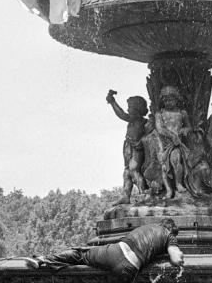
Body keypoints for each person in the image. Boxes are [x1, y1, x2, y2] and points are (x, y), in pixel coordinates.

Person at [34, 218, 184, 282]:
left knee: (81, 254)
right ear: (170, 229)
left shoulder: (148, 226)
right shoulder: (168, 235)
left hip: (114, 251)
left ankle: (44, 259)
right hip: (129, 267)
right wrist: (175, 250)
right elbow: (176, 260)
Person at [106, 90, 149, 204]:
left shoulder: (138, 120)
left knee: (134, 170)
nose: (128, 109)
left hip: (136, 148)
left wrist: (113, 102)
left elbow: (121, 114)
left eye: (130, 107)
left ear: (137, 109)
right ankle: (126, 196)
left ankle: (143, 194)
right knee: (126, 172)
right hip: (128, 147)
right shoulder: (136, 120)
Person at [154, 85, 193, 197]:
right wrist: (171, 135)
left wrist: (185, 130)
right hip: (163, 143)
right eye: (165, 100)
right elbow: (160, 128)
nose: (168, 102)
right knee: (163, 167)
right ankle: (168, 189)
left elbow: (188, 126)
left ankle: (178, 183)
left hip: (177, 144)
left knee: (176, 160)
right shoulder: (159, 114)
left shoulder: (182, 113)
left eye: (171, 99)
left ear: (177, 99)